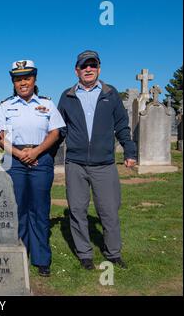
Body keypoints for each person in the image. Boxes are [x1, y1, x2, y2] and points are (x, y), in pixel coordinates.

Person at [57, 50, 137, 270]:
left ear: (99, 68)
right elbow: (60, 129)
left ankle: (113, 253)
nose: (88, 69)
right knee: (77, 210)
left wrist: (130, 151)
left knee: (109, 211)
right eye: (84, 66)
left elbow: (122, 125)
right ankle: (85, 254)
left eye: (92, 65)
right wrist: (46, 153)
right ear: (77, 70)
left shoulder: (111, 94)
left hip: (104, 165)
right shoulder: (67, 96)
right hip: (75, 164)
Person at [0, 60, 65, 277]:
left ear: (34, 79)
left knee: (39, 209)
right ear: (13, 82)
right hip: (14, 160)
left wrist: (35, 153)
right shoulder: (5, 106)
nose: (23, 82)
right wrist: (19, 154)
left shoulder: (47, 104)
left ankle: (41, 258)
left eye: (27, 77)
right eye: (18, 79)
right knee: (16, 209)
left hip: (41, 159)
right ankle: (18, 254)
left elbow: (55, 132)